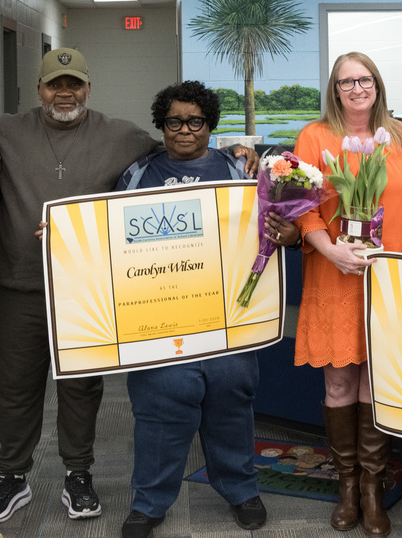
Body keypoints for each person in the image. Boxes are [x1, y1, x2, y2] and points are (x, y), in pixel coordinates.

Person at [0, 48, 257, 525]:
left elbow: (190, 152)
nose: (64, 92)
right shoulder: (2, 133)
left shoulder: (129, 140)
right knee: (16, 386)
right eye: (54, 84)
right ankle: (13, 475)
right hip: (29, 284)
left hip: (116, 294)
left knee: (85, 387)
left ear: (88, 87)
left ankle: (79, 474)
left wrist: (238, 147)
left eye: (74, 84)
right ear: (39, 88)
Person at [115, 80, 266, 538]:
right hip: (160, 315)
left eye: (195, 121)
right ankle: (149, 502)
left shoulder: (239, 168)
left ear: (210, 125)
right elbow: (109, 237)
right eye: (174, 121)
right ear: (161, 125)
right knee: (161, 406)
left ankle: (241, 489)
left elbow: (270, 220)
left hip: (227, 316)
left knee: (230, 401)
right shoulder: (138, 173)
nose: (185, 130)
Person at [293, 51, 402, 538]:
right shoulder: (315, 136)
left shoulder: (401, 137)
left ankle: (372, 488)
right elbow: (301, 204)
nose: (357, 88)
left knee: (376, 384)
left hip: (390, 280)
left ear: (378, 84)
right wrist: (330, 249)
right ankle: (347, 486)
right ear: (335, 89)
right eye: (347, 82)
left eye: (365, 79)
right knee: (341, 383)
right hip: (335, 274)